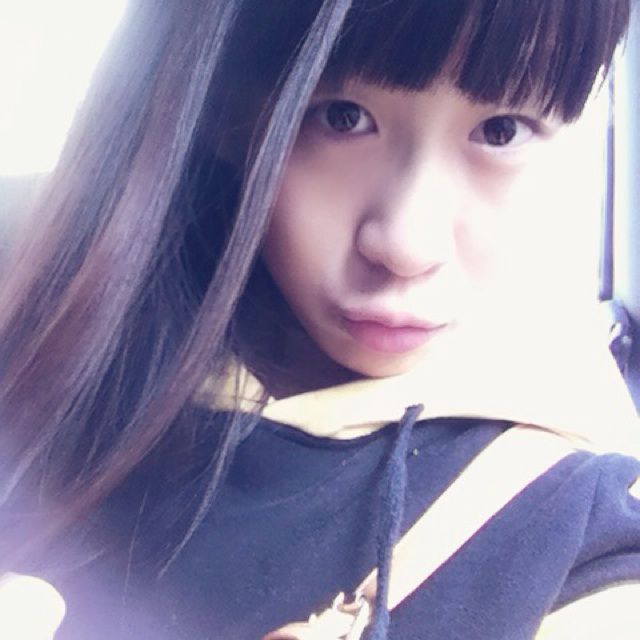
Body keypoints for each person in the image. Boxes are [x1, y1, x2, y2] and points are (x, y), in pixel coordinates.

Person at [1, 1, 639, 638]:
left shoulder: (576, 522)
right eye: (342, 117)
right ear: (227, 115)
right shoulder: (43, 358)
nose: (407, 245)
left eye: (501, 131)